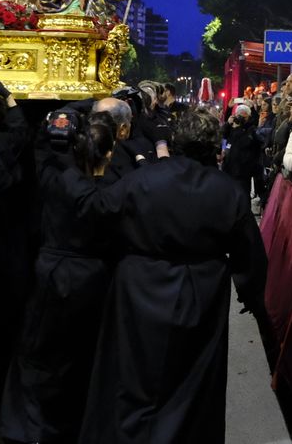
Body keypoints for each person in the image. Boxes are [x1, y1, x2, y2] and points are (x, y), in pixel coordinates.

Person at [78, 110, 267, 444]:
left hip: (139, 285)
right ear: (213, 146)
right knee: (193, 378)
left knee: (132, 372)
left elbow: (100, 213)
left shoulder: (143, 178)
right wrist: (251, 294)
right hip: (201, 291)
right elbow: (249, 251)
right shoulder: (226, 189)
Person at [0, 105, 119, 444]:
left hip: (51, 272)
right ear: (109, 153)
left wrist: (59, 115)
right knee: (83, 355)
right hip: (91, 277)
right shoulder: (111, 192)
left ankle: (33, 425)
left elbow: (39, 147)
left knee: (40, 352)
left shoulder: (55, 178)